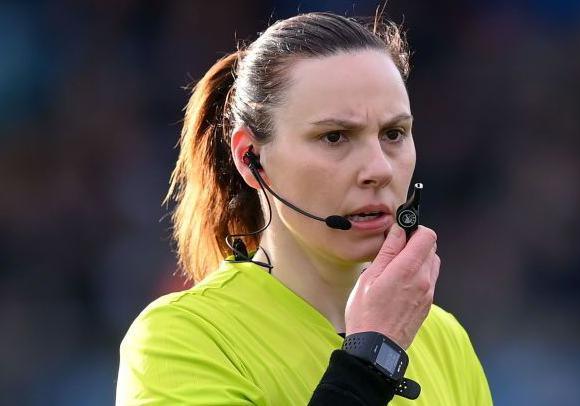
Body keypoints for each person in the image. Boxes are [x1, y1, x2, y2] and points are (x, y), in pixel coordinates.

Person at [116, 11, 493, 405]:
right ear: (250, 159)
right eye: (334, 137)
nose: (379, 169)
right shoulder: (181, 339)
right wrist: (373, 357)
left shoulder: (446, 338)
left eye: (393, 133)